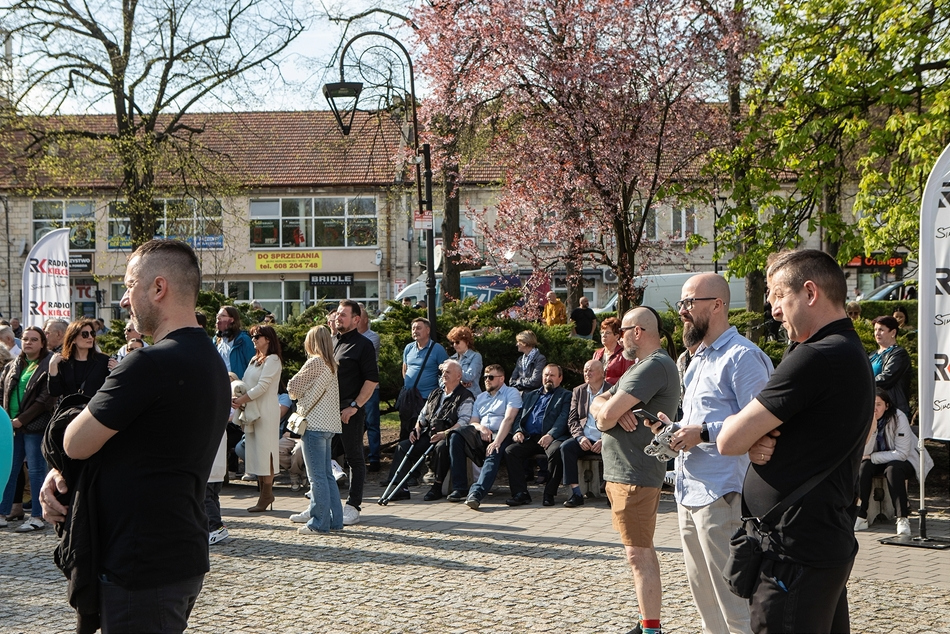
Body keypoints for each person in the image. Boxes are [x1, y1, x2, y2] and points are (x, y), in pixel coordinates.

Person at [40, 239, 230, 633]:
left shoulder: (149, 363)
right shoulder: (209, 359)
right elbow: (141, 445)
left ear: (158, 288)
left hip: (140, 562)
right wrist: (59, 473)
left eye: (129, 286)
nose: (124, 299)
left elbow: (74, 443)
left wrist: (63, 461)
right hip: (177, 552)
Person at [718, 249, 875, 634]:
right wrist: (761, 439)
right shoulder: (847, 348)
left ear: (809, 292)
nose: (773, 310)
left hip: (794, 551)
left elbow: (728, 440)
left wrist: (750, 437)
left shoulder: (817, 356)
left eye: (778, 295)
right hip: (816, 540)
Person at [654, 273, 773, 634]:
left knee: (735, 607)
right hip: (689, 490)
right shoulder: (697, 359)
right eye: (682, 303)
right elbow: (700, 421)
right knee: (706, 604)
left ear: (718, 305)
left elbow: (760, 424)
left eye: (690, 303)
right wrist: (673, 429)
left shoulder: (743, 357)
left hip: (724, 494)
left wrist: (703, 433)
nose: (682, 311)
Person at [590, 307, 681, 634]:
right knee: (639, 551)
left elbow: (604, 417)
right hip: (625, 473)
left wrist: (608, 414)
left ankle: (651, 629)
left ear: (638, 332)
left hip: (636, 474)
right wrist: (608, 411)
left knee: (638, 554)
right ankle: (647, 622)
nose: (619, 338)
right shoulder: (640, 366)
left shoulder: (654, 366)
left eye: (623, 331)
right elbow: (598, 402)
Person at [387, 359, 474, 502]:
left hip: (448, 436)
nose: (444, 375)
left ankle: (437, 487)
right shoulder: (436, 393)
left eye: (448, 372)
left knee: (441, 448)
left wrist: (444, 433)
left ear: (459, 376)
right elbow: (423, 415)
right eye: (443, 372)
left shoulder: (465, 396)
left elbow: (464, 421)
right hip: (429, 434)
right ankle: (400, 487)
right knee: (403, 446)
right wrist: (417, 428)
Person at [287, 326, 344, 534]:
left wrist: (299, 393)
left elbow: (292, 388)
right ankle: (335, 520)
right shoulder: (332, 364)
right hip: (329, 425)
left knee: (316, 477)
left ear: (312, 342)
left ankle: (318, 523)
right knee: (327, 475)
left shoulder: (315, 362)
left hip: (313, 425)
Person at [0, 326, 54, 532]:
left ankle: (38, 516)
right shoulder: (14, 364)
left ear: (42, 343)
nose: (28, 342)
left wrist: (21, 420)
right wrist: (6, 419)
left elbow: (45, 399)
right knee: (9, 469)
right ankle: (2, 512)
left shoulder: (48, 364)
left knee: (36, 470)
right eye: (25, 339)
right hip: (11, 425)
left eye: (34, 339)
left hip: (34, 426)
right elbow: (2, 391)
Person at [449, 364, 523, 509]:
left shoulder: (511, 393)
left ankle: (476, 493)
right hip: (482, 434)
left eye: (491, 377)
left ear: (501, 379)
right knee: (456, 437)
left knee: (493, 451)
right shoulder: (481, 397)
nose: (487, 380)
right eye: (485, 378)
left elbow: (509, 419)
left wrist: (497, 442)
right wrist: (481, 428)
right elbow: (473, 422)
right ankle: (459, 487)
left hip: (502, 434)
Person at [333, 300, 379, 526]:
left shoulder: (363, 345)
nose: (338, 317)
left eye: (343, 315)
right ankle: (319, 504)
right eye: (337, 314)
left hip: (349, 411)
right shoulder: (332, 341)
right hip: (327, 412)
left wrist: (355, 406)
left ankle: (353, 506)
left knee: (354, 458)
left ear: (356, 319)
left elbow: (371, 380)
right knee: (321, 456)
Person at [854, 389, 923, 536]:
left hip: (904, 460)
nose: (874, 408)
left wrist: (872, 457)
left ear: (887, 406)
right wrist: (873, 428)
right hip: (877, 458)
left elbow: (902, 453)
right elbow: (864, 452)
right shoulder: (865, 418)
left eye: (878, 404)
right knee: (863, 467)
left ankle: (902, 518)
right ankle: (861, 515)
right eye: (872, 404)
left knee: (893, 469)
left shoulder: (899, 417)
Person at [504, 364, 572, 506]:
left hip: (552, 438)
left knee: (556, 451)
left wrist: (551, 435)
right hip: (530, 437)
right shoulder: (530, 395)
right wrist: (518, 430)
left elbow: (563, 418)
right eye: (546, 375)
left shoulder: (566, 395)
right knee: (511, 451)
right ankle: (520, 494)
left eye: (552, 375)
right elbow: (519, 417)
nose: (548, 378)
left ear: (560, 378)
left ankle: (549, 494)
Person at [232, 324, 283, 512]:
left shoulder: (273, 360)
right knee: (256, 452)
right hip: (252, 410)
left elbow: (262, 386)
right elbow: (247, 383)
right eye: (252, 336)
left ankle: (266, 495)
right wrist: (237, 394)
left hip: (266, 411)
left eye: (257, 336)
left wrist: (241, 400)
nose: (253, 340)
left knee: (266, 453)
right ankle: (264, 494)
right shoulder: (255, 359)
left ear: (267, 339)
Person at [559, 359, 611, 508]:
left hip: (605, 438)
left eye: (591, 370)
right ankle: (576, 493)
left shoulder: (612, 391)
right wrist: (580, 438)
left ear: (602, 373)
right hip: (585, 438)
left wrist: (604, 440)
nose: (587, 373)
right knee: (566, 447)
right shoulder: (579, 391)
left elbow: (617, 421)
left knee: (615, 449)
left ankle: (610, 493)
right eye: (585, 370)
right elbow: (572, 420)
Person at [400, 317, 449, 440]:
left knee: (421, 431)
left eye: (418, 328)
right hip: (409, 398)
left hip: (426, 398)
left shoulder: (437, 349)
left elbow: (446, 371)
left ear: (428, 330)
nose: (415, 331)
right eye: (413, 328)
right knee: (405, 429)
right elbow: (405, 369)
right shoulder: (408, 348)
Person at [48, 319, 113, 399]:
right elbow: (55, 392)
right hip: (71, 406)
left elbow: (113, 388)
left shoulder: (103, 361)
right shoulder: (63, 362)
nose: (90, 337)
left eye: (92, 333)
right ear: (73, 339)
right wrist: (52, 366)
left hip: (95, 406)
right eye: (85, 334)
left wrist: (117, 371)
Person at [869, 315, 911, 418]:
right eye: (875, 330)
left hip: (893, 410)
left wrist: (863, 384)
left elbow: (887, 378)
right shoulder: (872, 355)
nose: (877, 333)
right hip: (873, 409)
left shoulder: (899, 354)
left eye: (881, 330)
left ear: (893, 332)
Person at [357, 303, 382, 472]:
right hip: (355, 388)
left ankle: (374, 458)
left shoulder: (373, 337)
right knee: (355, 425)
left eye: (358, 318)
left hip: (371, 387)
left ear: (365, 320)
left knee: (372, 423)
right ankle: (356, 457)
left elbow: (361, 353)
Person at [215, 306, 255, 379]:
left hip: (237, 383)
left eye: (223, 315)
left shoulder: (243, 340)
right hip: (220, 382)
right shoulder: (216, 340)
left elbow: (252, 366)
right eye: (218, 315)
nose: (218, 318)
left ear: (232, 320)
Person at [594, 317, 635, 385]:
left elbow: (629, 378)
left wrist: (607, 380)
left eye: (607, 333)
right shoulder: (597, 353)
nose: (604, 335)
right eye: (602, 332)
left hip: (616, 390)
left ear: (617, 336)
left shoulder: (625, 355)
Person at [447, 325, 483, 397]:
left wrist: (453, 374)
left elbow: (469, 376)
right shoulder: (451, 359)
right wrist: (459, 384)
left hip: (471, 396)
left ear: (467, 342)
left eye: (457, 342)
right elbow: (442, 379)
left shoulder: (475, 356)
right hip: (454, 396)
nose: (454, 345)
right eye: (453, 343)